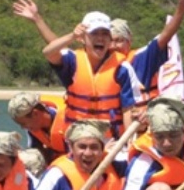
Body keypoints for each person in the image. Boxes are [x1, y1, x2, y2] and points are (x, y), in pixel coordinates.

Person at [13, 0, 184, 104]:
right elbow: (58, 49)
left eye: (121, 40)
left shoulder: (139, 61)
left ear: (131, 41)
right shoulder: (94, 59)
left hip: (136, 124)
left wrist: (181, 9)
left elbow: (165, 35)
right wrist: (37, 19)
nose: (116, 45)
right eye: (114, 40)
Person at [42, 11, 139, 139]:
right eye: (94, 33)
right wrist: (72, 36)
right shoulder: (72, 61)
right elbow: (48, 52)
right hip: (77, 139)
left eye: (105, 33)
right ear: (82, 38)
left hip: (110, 140)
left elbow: (128, 110)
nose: (100, 38)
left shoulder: (122, 68)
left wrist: (128, 143)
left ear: (110, 39)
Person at [8, 91, 68, 164]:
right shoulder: (32, 129)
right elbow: (34, 153)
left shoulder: (69, 121)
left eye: (23, 123)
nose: (23, 127)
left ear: (35, 113)